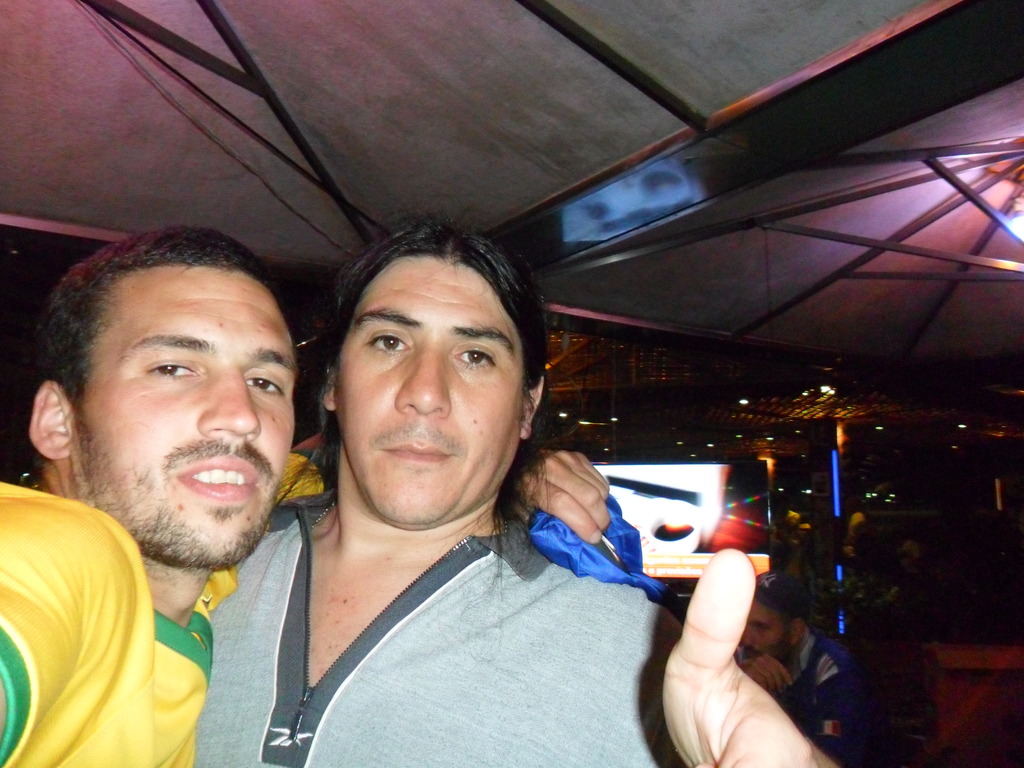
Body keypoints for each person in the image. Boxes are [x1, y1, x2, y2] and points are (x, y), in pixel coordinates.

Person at [0, 226, 611, 767]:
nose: (426, 393)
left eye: (476, 355)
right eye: (388, 342)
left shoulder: (629, 652)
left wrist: (526, 478)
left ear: (526, 406)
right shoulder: (59, 553)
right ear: (333, 384)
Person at [736, 571, 894, 768]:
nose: (746, 639)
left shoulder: (833, 672)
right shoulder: (742, 658)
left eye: (760, 627)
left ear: (796, 631)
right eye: (743, 623)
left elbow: (830, 762)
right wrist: (740, 687)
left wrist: (763, 704)